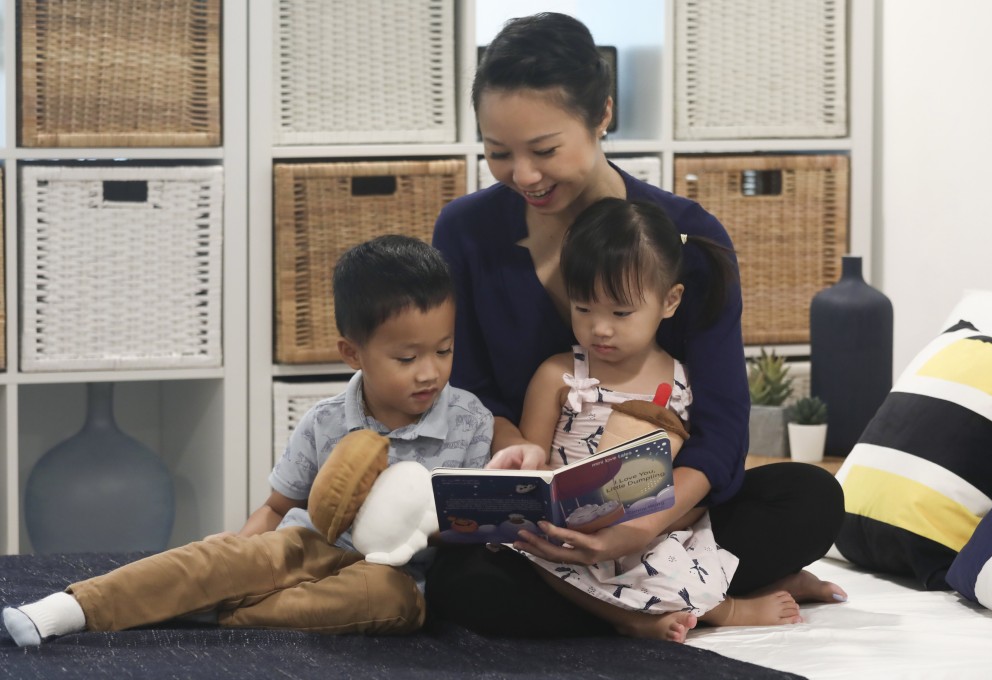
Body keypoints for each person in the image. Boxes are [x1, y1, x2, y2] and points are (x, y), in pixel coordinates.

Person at [426, 12, 846, 638]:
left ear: (602, 116)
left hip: (670, 513)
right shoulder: (465, 232)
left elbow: (724, 422)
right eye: (497, 152)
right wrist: (522, 462)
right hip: (536, 508)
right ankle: (701, 591)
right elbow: (471, 389)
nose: (524, 176)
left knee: (811, 500)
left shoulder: (685, 235)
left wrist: (640, 526)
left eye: (544, 150)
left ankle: (639, 590)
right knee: (460, 586)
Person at [2, 235, 493, 646]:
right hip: (304, 543)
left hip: (390, 572)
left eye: (444, 350)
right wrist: (240, 550)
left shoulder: (469, 421)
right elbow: (278, 507)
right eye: (406, 359)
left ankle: (218, 615)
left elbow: (463, 535)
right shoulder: (325, 421)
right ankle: (69, 608)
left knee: (391, 600)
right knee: (223, 559)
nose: (430, 372)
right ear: (352, 353)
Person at [508, 197, 801, 643]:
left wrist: (643, 526)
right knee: (524, 555)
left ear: (670, 301)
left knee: (683, 549)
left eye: (621, 313)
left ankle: (730, 606)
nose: (600, 328)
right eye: (583, 308)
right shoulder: (557, 374)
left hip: (652, 526)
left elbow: (694, 471)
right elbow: (531, 465)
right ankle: (631, 617)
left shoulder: (683, 379)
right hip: (567, 532)